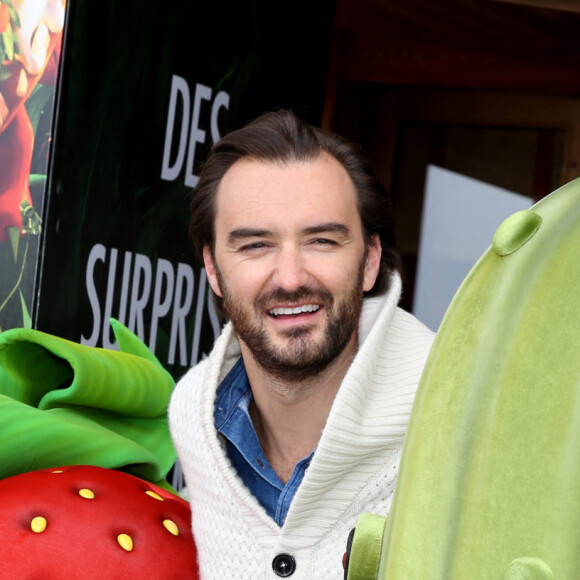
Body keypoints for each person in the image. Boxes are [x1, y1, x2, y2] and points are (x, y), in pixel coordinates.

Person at [169, 109, 435, 579]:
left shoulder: (452, 414)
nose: (290, 278)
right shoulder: (194, 422)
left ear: (370, 261)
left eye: (322, 241)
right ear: (213, 269)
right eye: (255, 245)